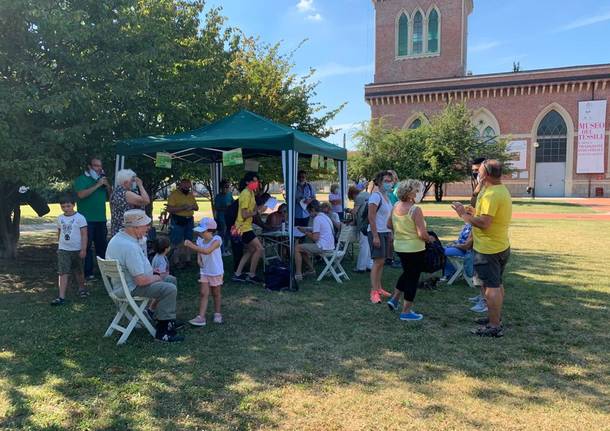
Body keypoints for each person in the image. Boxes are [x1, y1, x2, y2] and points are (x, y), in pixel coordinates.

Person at [452, 159, 512, 338]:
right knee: (497, 284)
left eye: (479, 172)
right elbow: (482, 210)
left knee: (491, 288)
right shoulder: (498, 190)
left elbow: (484, 223)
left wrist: (463, 214)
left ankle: (494, 326)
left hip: (488, 249)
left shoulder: (491, 194)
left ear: (485, 175)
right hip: (499, 245)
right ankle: (495, 318)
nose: (476, 174)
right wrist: (472, 208)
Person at [106, 209, 183, 343]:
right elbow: (141, 281)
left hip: (121, 285)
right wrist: (156, 277)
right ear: (135, 227)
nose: (148, 228)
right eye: (145, 225)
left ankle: (162, 318)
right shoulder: (129, 247)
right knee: (169, 289)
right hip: (131, 288)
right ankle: (164, 333)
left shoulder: (117, 239)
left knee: (171, 280)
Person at [387, 180, 432, 320]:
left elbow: (388, 224)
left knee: (407, 273)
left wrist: (402, 232)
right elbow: (422, 234)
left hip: (400, 246)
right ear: (411, 193)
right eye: (417, 191)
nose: (419, 193)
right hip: (415, 248)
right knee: (412, 278)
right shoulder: (415, 209)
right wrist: (430, 239)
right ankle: (406, 311)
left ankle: (394, 299)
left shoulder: (395, 206)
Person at [73, 156, 111, 280]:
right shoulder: (81, 179)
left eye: (100, 166)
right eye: (96, 166)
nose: (99, 168)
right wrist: (97, 185)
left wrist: (106, 185)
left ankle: (105, 272)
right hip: (86, 219)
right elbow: (81, 194)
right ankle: (88, 273)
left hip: (101, 218)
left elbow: (111, 195)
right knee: (87, 246)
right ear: (89, 167)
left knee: (102, 246)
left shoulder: (102, 179)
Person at [184, 218, 224, 326]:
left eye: (202, 231)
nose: (199, 233)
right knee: (203, 293)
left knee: (216, 293)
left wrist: (191, 246)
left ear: (210, 231)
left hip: (215, 271)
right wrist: (198, 259)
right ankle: (201, 317)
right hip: (205, 271)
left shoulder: (217, 240)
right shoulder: (200, 240)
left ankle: (217, 313)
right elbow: (200, 251)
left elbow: (207, 251)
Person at [51, 194, 88, 305]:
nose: (66, 208)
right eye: (63, 207)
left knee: (79, 271)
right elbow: (59, 232)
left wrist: (83, 249)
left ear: (73, 205)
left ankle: (82, 289)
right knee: (63, 272)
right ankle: (61, 297)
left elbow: (84, 234)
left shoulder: (80, 218)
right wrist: (59, 246)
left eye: (68, 206)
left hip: (77, 249)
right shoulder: (60, 218)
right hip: (64, 249)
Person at [232, 172, 265, 284]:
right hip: (243, 227)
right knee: (259, 249)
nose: (256, 183)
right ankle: (251, 275)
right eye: (254, 181)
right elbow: (245, 214)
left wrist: (261, 208)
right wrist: (257, 212)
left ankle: (237, 274)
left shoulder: (251, 193)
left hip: (245, 226)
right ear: (247, 182)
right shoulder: (245, 193)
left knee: (251, 249)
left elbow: (254, 207)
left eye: (257, 181)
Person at [368, 171, 394, 303]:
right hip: (376, 232)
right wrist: (375, 236)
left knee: (382, 262)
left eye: (391, 180)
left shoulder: (387, 197)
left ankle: (379, 288)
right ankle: (374, 292)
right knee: (377, 262)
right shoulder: (375, 196)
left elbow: (387, 218)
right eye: (387, 181)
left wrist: (390, 233)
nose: (390, 183)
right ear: (379, 182)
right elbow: (371, 217)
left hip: (385, 232)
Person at [294, 200, 335, 281]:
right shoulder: (325, 216)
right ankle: (311, 270)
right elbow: (318, 229)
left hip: (323, 247)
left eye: (309, 212)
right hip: (330, 245)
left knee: (297, 248)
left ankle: (298, 274)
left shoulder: (317, 219)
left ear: (312, 209)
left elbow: (315, 238)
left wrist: (305, 232)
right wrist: (306, 229)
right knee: (303, 249)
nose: (309, 214)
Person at [167, 179, 199, 268]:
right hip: (178, 220)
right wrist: (182, 208)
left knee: (188, 240)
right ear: (180, 185)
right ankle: (176, 261)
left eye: (189, 187)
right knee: (176, 241)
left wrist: (192, 207)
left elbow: (197, 207)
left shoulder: (190, 194)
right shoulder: (174, 194)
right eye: (185, 187)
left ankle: (188, 260)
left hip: (189, 220)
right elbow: (169, 209)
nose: (187, 189)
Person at [110, 169, 150, 237]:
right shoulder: (126, 194)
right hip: (127, 232)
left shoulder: (115, 192)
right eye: (132, 181)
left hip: (118, 229)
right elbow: (146, 201)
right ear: (126, 182)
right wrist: (140, 185)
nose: (133, 183)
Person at [145, 237, 172, 320]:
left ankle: (152, 310)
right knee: (161, 297)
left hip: (155, 281)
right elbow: (161, 274)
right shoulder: (162, 260)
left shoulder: (156, 257)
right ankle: (153, 311)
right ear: (166, 249)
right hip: (160, 282)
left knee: (157, 298)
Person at [348, 185, 372, 273]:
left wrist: (348, 210)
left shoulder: (358, 198)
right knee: (369, 246)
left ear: (353, 194)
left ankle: (361, 267)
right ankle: (369, 265)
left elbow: (354, 211)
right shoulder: (367, 194)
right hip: (371, 222)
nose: (353, 199)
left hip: (363, 224)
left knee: (363, 246)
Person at [214, 179, 234, 256]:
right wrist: (226, 208)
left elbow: (233, 203)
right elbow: (217, 207)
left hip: (229, 218)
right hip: (221, 218)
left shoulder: (229, 194)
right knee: (221, 234)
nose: (226, 188)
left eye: (227, 186)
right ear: (221, 188)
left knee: (228, 234)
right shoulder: (218, 197)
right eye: (225, 187)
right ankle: (221, 251)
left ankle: (226, 249)